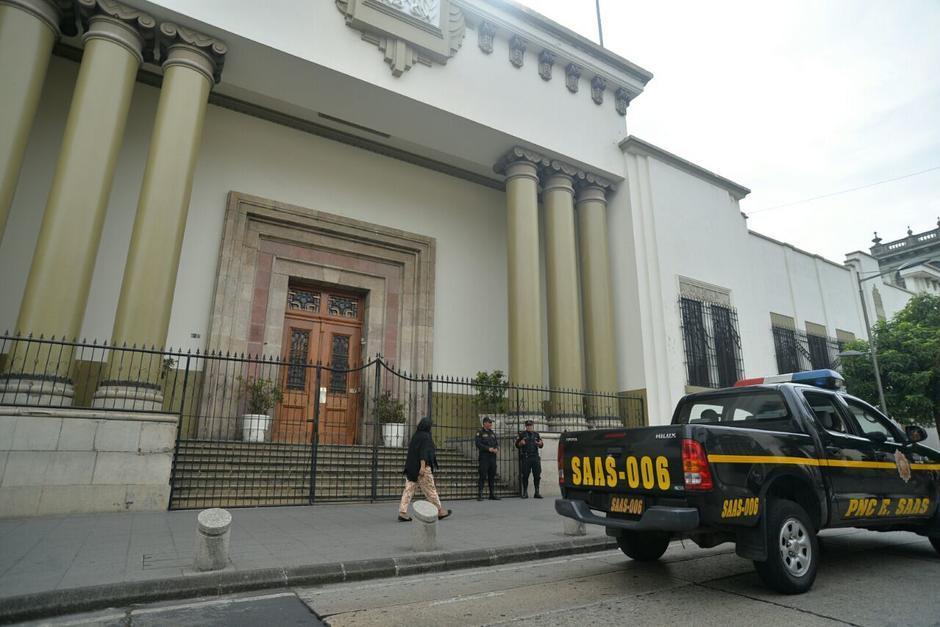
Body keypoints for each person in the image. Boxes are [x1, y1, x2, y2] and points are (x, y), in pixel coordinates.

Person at [399, 417, 451, 521]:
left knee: (408, 490)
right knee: (431, 490)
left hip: (412, 468)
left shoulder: (416, 435)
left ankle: (402, 512)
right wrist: (422, 467)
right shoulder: (426, 436)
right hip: (423, 469)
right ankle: (440, 511)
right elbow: (423, 453)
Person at [515, 419, 544, 499]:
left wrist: (540, 444)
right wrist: (520, 443)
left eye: (530, 425)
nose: (529, 427)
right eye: (528, 426)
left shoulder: (536, 434)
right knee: (525, 475)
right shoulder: (522, 434)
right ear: (525, 426)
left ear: (532, 426)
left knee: (537, 475)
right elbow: (516, 445)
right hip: (526, 457)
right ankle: (525, 492)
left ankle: (537, 492)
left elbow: (541, 444)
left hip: (535, 457)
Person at [475, 416, 500, 501]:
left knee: (492, 476)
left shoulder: (492, 433)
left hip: (492, 458)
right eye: (489, 422)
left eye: (491, 423)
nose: (490, 424)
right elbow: (478, 444)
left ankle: (492, 494)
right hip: (484, 457)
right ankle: (480, 494)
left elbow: (496, 443)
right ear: (485, 423)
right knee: (482, 475)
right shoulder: (480, 432)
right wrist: (488, 448)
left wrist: (496, 448)